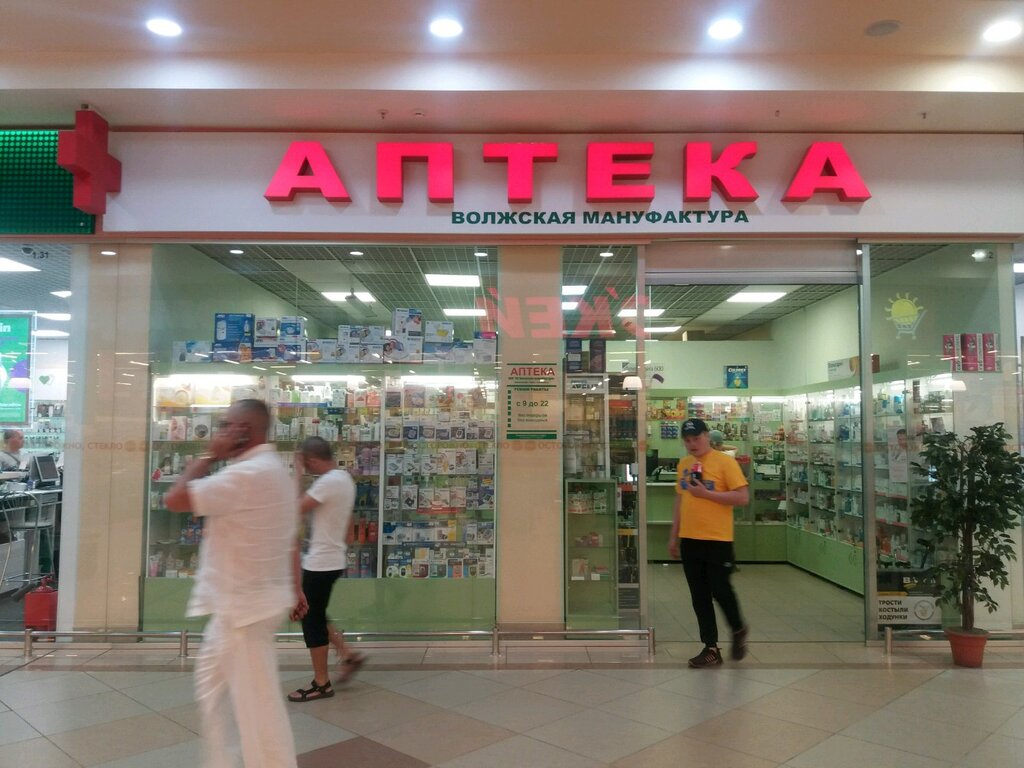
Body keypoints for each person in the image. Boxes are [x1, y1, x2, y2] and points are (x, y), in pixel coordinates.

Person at [164, 399, 306, 768]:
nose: (220, 431)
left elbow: (174, 499)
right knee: (212, 693)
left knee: (259, 713)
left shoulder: (247, 475)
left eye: (226, 425)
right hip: (240, 608)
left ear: (244, 430)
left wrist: (209, 456)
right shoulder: (274, 470)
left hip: (244, 612)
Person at [288, 436, 366, 702]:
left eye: (305, 462)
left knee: (311, 619)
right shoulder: (344, 479)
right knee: (317, 611)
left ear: (311, 460)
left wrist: (297, 476)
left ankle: (321, 683)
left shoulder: (328, 482)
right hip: (332, 558)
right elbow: (348, 529)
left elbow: (294, 509)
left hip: (321, 562)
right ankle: (348, 655)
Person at [668, 418, 750, 668]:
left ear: (706, 436)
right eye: (687, 440)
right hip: (690, 540)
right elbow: (680, 500)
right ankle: (711, 648)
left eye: (696, 438)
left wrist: (707, 494)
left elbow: (742, 497)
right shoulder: (684, 464)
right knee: (699, 596)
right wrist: (674, 535)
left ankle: (738, 629)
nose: (692, 444)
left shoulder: (725, 462)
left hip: (717, 540)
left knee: (721, 590)